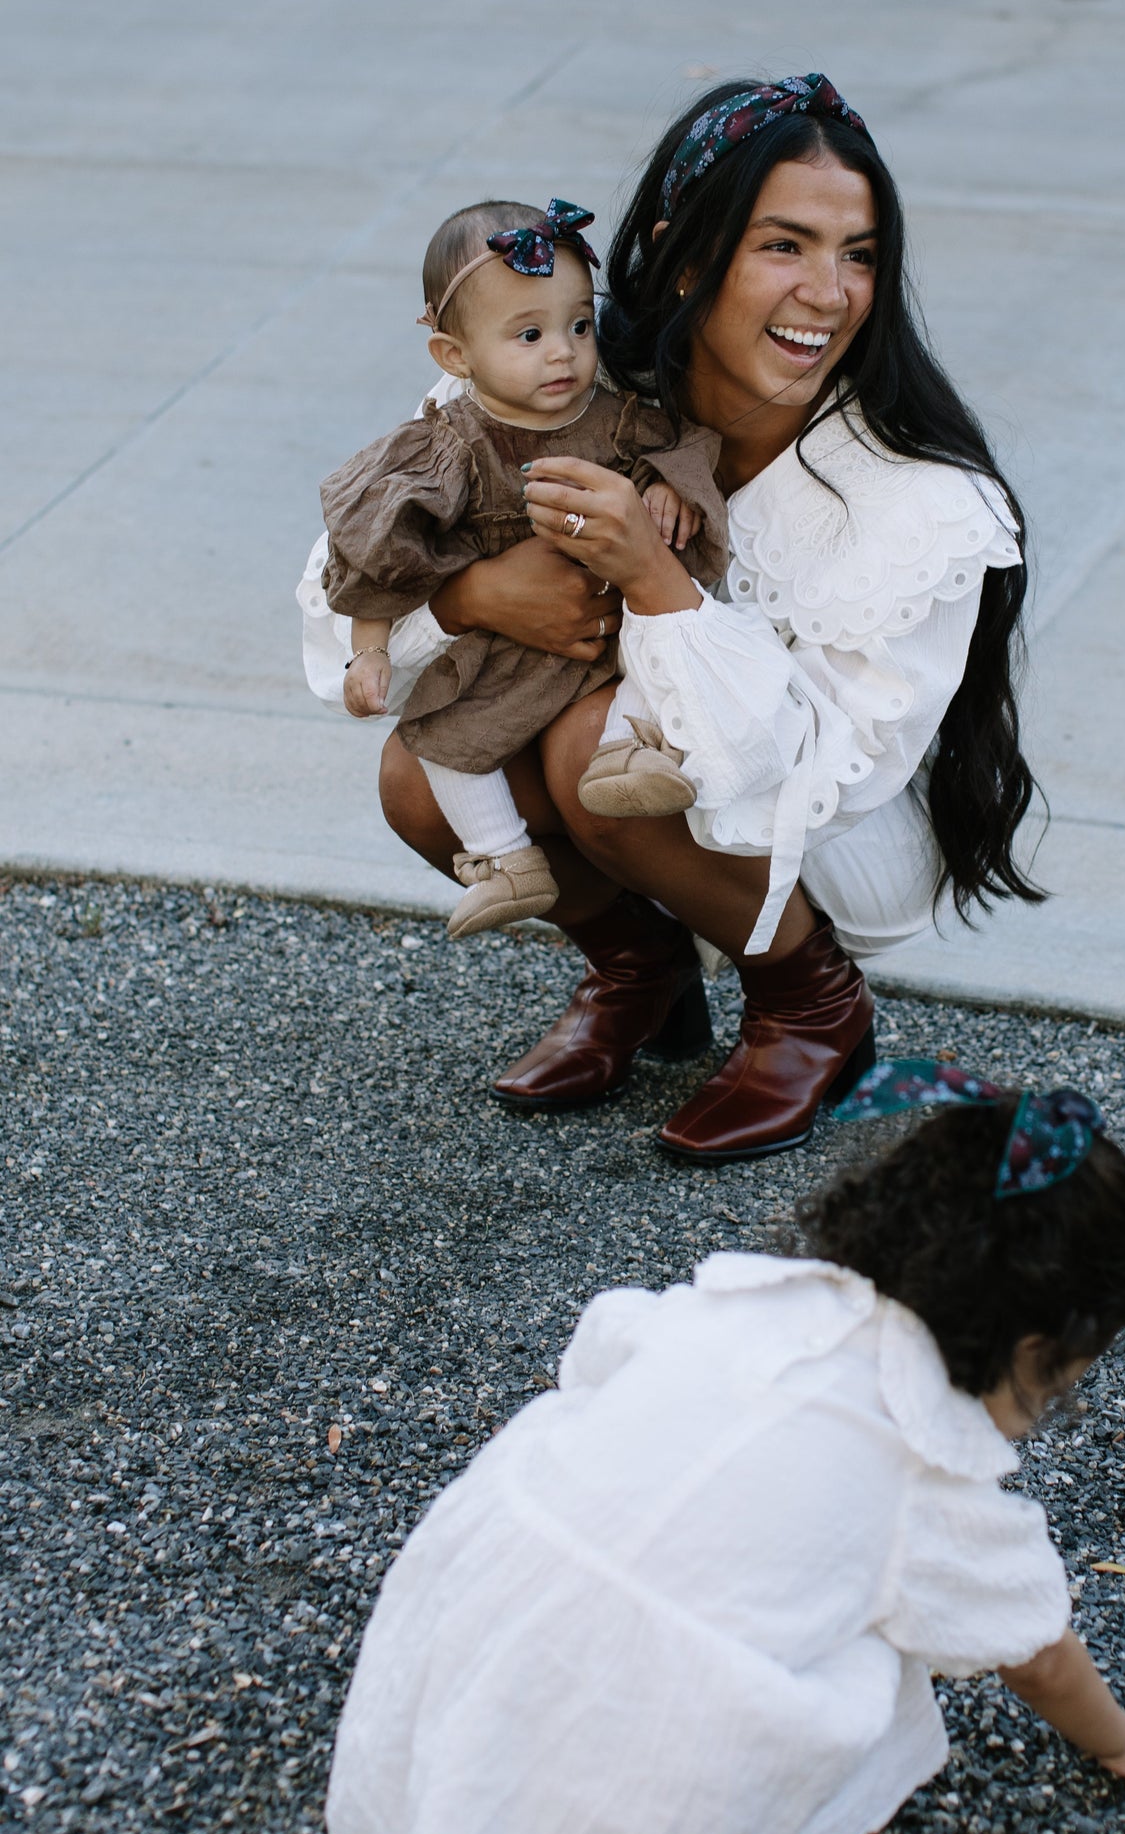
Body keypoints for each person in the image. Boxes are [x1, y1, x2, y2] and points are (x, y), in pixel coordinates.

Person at [325, 1067, 1125, 1834]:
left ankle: (491, 1810)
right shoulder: (921, 1474)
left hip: (466, 1651)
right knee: (869, 1670)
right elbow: (1036, 1656)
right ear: (1040, 1347)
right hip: (616, 1733)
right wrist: (1123, 1740)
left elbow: (594, 1355)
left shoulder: (746, 1304)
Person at [300, 73, 1045, 1159]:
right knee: (419, 775)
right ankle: (639, 973)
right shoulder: (561, 373)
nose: (828, 292)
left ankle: (809, 1006)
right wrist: (466, 596)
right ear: (687, 253)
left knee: (585, 751)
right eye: (783, 246)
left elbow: (829, 766)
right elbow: (342, 577)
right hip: (636, 786)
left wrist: (658, 584)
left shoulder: (920, 501)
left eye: (859, 253)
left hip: (830, 831)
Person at [309, 196, 727, 939]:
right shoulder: (447, 447)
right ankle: (506, 859)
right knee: (441, 734)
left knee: (652, 670)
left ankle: (637, 762)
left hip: (610, 632)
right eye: (529, 335)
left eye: (578, 326)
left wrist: (671, 487)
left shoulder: (620, 417)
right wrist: (368, 652)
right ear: (454, 357)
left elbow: (689, 443)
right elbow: (378, 556)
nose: (563, 353)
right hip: (509, 655)